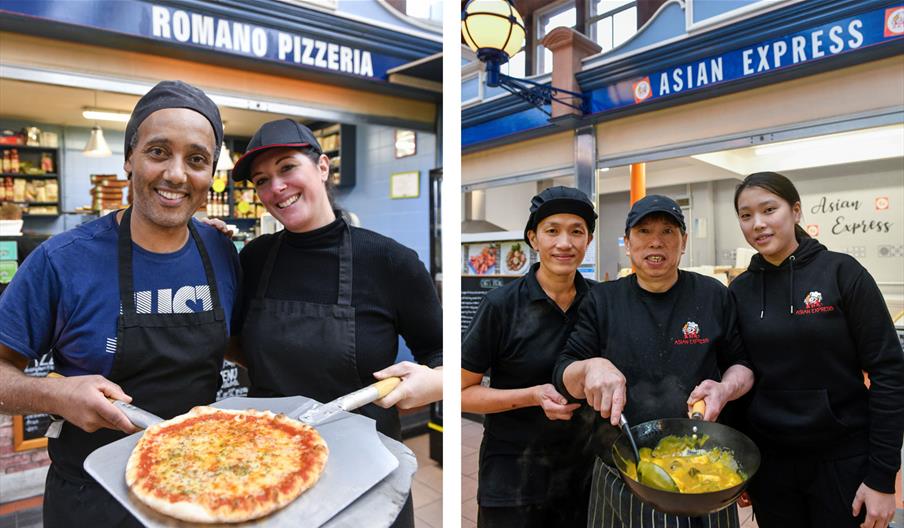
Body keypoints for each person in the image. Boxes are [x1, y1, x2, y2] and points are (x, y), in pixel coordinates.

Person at [0, 80, 241, 526]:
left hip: (201, 489)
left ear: (211, 173)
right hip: (94, 499)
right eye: (158, 152)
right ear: (129, 158)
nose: (176, 174)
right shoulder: (62, 260)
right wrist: (54, 393)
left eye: (196, 159)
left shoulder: (222, 251)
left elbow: (239, 343)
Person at [229, 118, 443, 528]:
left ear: (323, 167)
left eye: (287, 167)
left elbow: (442, 352)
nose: (276, 187)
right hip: (269, 465)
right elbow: (235, 341)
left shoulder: (388, 260)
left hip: (367, 470)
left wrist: (433, 382)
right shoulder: (254, 258)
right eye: (262, 180)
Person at [553, 194, 755, 528]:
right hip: (622, 465)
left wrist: (725, 388)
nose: (656, 241)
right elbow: (564, 373)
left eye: (667, 231)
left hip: (704, 463)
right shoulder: (602, 299)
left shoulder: (713, 294)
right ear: (628, 243)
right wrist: (589, 368)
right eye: (644, 231)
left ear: (683, 241)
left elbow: (742, 365)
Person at [729, 172, 904, 528]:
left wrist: (882, 476)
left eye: (769, 209)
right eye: (746, 215)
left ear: (795, 211)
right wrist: (739, 463)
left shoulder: (842, 273)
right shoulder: (740, 290)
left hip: (842, 460)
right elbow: (737, 372)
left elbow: (889, 371)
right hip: (771, 465)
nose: (758, 223)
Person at [462, 186, 598, 528]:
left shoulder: (601, 301)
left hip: (583, 474)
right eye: (552, 230)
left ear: (589, 240)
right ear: (533, 238)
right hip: (513, 475)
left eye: (576, 231)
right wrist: (533, 395)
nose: (564, 243)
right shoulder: (501, 306)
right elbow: (461, 393)